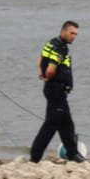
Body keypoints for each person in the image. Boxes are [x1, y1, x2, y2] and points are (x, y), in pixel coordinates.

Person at [30, 20, 85, 163]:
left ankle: (73, 154)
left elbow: (40, 59)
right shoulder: (61, 47)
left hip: (53, 89)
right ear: (64, 31)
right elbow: (51, 69)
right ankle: (35, 156)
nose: (74, 36)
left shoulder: (51, 42)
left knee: (67, 124)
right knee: (51, 124)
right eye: (72, 33)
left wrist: (40, 74)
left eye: (76, 34)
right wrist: (47, 76)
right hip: (56, 90)